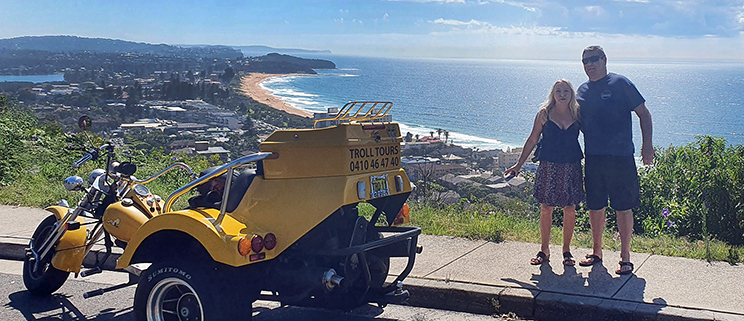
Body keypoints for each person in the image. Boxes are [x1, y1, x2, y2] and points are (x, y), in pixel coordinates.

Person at [576, 45, 653, 275]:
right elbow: (572, 119)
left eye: (594, 59)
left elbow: (644, 114)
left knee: (623, 207)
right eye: (585, 61)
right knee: (595, 207)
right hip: (593, 158)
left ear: (604, 59)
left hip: (621, 157)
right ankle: (597, 252)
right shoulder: (582, 90)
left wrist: (647, 146)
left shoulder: (621, 84)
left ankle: (625, 257)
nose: (589, 64)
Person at [504, 79, 584, 266]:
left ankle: (566, 251)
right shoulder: (544, 114)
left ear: (571, 94)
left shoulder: (578, 114)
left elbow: (594, 135)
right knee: (546, 208)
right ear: (553, 94)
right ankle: (544, 250)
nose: (562, 94)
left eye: (566, 91)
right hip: (549, 166)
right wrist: (518, 165)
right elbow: (532, 140)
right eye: (558, 91)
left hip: (571, 167)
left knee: (570, 210)